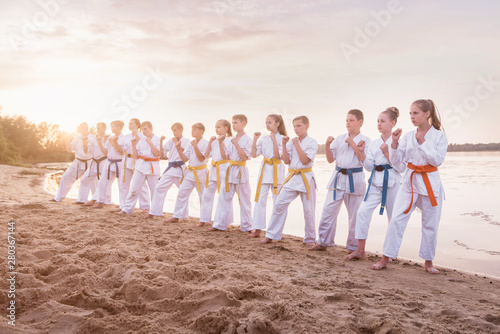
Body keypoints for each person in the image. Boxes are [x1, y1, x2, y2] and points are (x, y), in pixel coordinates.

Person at [371, 99, 447, 274]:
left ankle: (428, 262)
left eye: (416, 113)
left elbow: (437, 160)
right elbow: (399, 165)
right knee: (397, 219)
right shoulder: (407, 136)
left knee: (430, 223)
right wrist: (395, 145)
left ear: (427, 114)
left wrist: (423, 143)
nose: (412, 117)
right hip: (409, 182)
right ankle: (386, 257)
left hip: (430, 183)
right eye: (410, 114)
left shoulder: (439, 136)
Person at [346, 108, 406, 260]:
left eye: (383, 121)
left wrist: (388, 153)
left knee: (393, 218)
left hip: (393, 183)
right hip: (375, 182)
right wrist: (362, 152)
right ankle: (360, 250)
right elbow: (368, 167)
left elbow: (402, 168)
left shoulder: (400, 142)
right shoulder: (373, 143)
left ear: (392, 123)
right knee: (362, 212)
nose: (379, 124)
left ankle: (389, 254)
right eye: (378, 121)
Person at [310, 109, 371, 252]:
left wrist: (352, 143)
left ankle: (353, 246)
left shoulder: (366, 140)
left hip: (355, 178)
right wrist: (326, 145)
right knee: (328, 210)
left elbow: (365, 161)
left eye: (351, 120)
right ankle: (323, 242)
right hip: (338, 178)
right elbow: (330, 159)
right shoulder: (339, 138)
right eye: (346, 120)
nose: (348, 123)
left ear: (360, 122)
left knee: (355, 214)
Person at [260, 116, 318, 246]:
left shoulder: (312, 142)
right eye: (294, 126)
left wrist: (296, 144)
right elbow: (286, 161)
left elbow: (305, 160)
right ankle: (271, 235)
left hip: (306, 177)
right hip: (292, 176)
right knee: (279, 204)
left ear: (307, 126)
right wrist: (285, 145)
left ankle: (310, 239)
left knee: (309, 210)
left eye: (299, 126)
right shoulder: (291, 142)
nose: (296, 129)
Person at [210, 114, 252, 232]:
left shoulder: (248, 140)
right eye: (232, 123)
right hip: (230, 169)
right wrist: (220, 143)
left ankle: (247, 226)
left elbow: (244, 157)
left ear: (243, 124)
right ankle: (219, 225)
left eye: (235, 123)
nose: (233, 125)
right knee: (223, 197)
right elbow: (225, 156)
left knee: (244, 199)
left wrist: (236, 144)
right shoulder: (230, 139)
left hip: (240, 170)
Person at [249, 114, 287, 238]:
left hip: (277, 171)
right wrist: (254, 140)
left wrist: (274, 140)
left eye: (269, 122)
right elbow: (254, 154)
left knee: (278, 202)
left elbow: (277, 156)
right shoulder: (264, 138)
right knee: (260, 200)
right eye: (266, 122)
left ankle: (275, 232)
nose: (267, 125)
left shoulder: (284, 138)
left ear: (277, 124)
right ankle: (258, 228)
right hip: (265, 171)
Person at [165, 123, 209, 223]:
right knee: (182, 192)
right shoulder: (191, 143)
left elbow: (201, 158)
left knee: (203, 196)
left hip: (201, 172)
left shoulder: (205, 143)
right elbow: (184, 158)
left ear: (201, 131)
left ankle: (204, 220)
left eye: (195, 129)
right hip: (190, 172)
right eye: (192, 129)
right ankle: (176, 216)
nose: (192, 131)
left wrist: (195, 146)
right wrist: (179, 149)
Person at [145, 123, 190, 219]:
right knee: (159, 188)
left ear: (181, 130)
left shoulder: (187, 141)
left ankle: (183, 215)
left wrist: (176, 143)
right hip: (170, 168)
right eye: (173, 130)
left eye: (176, 130)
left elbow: (186, 155)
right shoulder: (170, 141)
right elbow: (162, 155)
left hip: (180, 168)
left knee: (183, 192)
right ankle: (154, 212)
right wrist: (161, 142)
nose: (174, 132)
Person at [118, 121, 161, 214]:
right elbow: (136, 156)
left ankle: (154, 211)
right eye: (143, 129)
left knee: (154, 189)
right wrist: (133, 144)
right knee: (134, 188)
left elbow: (157, 154)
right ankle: (127, 209)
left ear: (151, 128)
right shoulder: (141, 140)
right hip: (140, 166)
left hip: (152, 166)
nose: (144, 131)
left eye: (146, 129)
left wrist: (150, 143)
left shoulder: (157, 139)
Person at [198, 120, 232, 227]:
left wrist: (221, 143)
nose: (216, 129)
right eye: (215, 127)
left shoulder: (230, 140)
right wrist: (209, 142)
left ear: (226, 128)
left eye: (218, 127)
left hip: (224, 168)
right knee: (207, 194)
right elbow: (207, 155)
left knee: (224, 195)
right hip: (213, 168)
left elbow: (225, 156)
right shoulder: (213, 141)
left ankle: (226, 220)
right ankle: (204, 219)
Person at [51, 122, 94, 202]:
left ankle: (88, 200)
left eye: (82, 128)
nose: (81, 130)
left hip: (90, 162)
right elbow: (69, 150)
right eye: (80, 128)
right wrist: (66, 140)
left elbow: (88, 151)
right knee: (65, 177)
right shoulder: (77, 138)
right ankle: (58, 198)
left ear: (86, 128)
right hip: (77, 162)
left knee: (93, 182)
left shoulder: (92, 138)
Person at [90, 121, 126, 209]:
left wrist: (113, 142)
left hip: (119, 163)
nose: (112, 129)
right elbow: (106, 153)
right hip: (109, 162)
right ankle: (100, 202)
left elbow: (121, 152)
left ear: (119, 127)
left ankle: (122, 205)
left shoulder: (124, 138)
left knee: (121, 185)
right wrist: (100, 143)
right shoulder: (111, 137)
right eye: (112, 127)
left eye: (113, 127)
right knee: (102, 182)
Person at [79, 122, 111, 206]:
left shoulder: (108, 138)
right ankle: (82, 199)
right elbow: (87, 151)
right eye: (97, 128)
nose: (98, 130)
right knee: (84, 179)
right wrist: (84, 144)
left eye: (99, 128)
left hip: (104, 161)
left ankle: (103, 200)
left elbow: (107, 152)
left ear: (104, 129)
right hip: (94, 162)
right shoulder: (94, 138)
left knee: (104, 182)